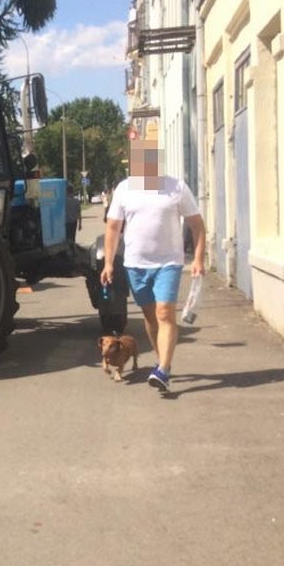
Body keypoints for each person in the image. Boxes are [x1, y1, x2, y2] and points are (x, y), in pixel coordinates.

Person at [100, 141, 205, 393]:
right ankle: (161, 360)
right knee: (150, 318)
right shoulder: (124, 189)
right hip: (136, 265)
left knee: (164, 314)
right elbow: (113, 227)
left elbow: (197, 224)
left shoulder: (175, 187)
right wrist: (108, 263)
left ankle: (163, 370)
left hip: (168, 263)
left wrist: (199, 258)